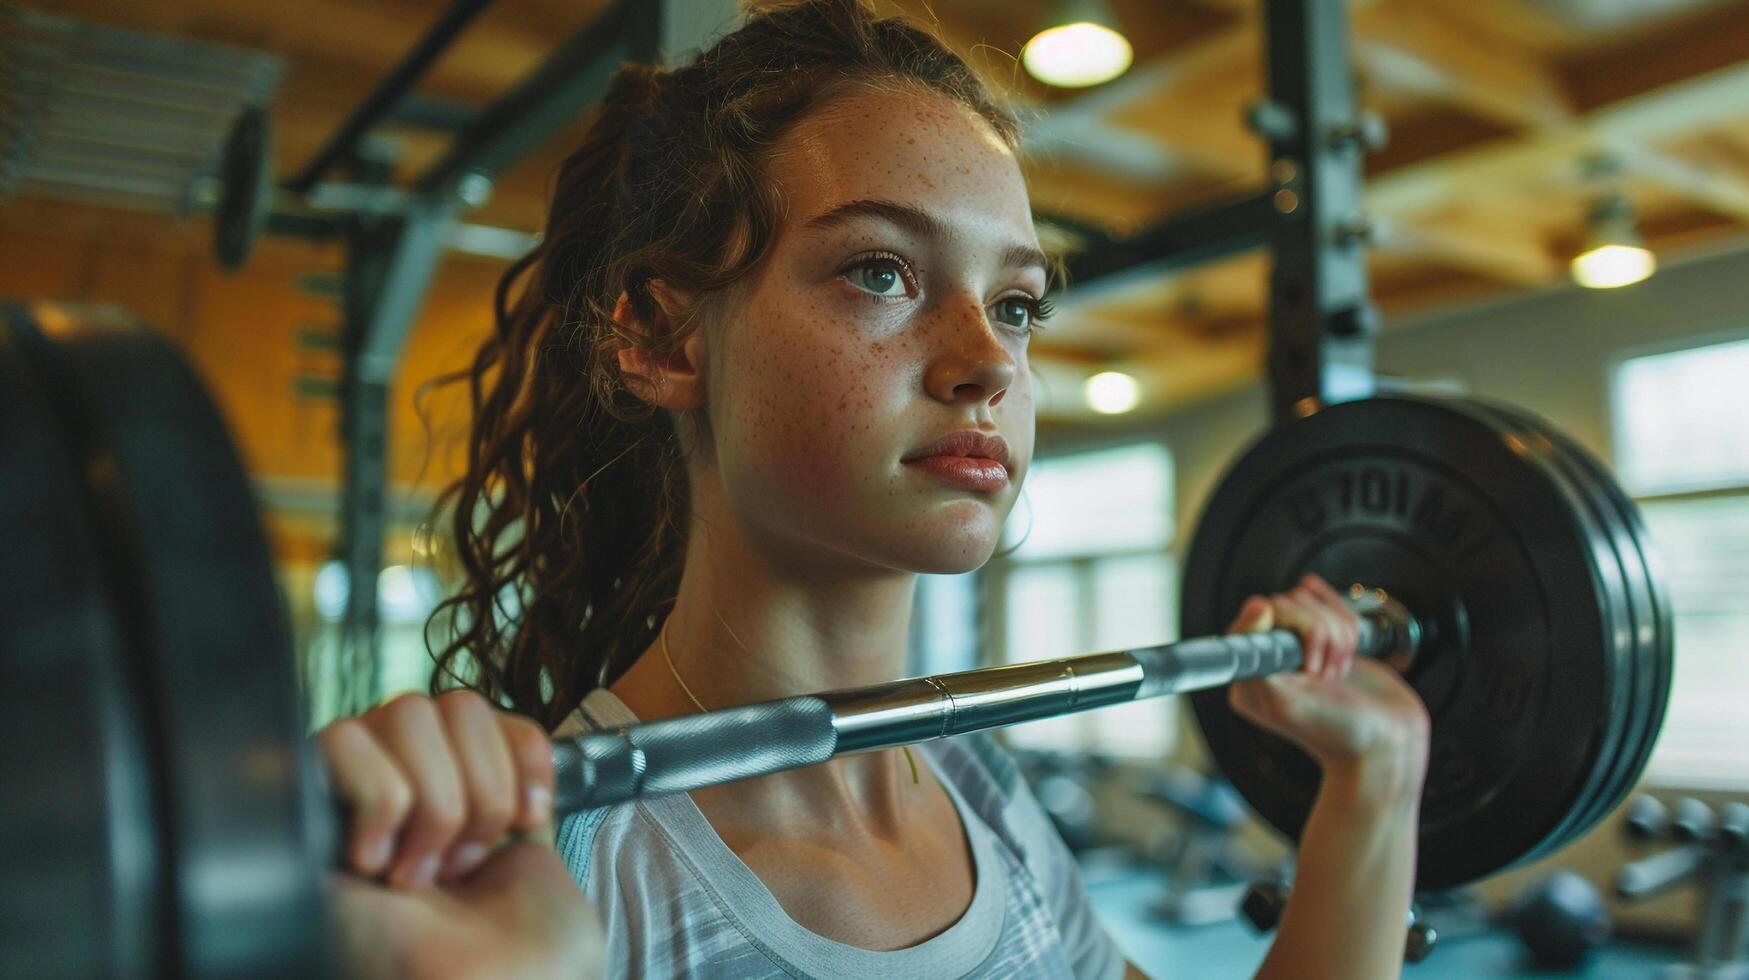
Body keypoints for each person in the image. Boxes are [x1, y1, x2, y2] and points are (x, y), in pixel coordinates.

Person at [315, 1, 1431, 976]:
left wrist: (1374, 782)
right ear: (661, 338)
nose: (989, 359)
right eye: (882, 272)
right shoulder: (569, 884)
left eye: (1017, 304)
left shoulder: (969, 784)